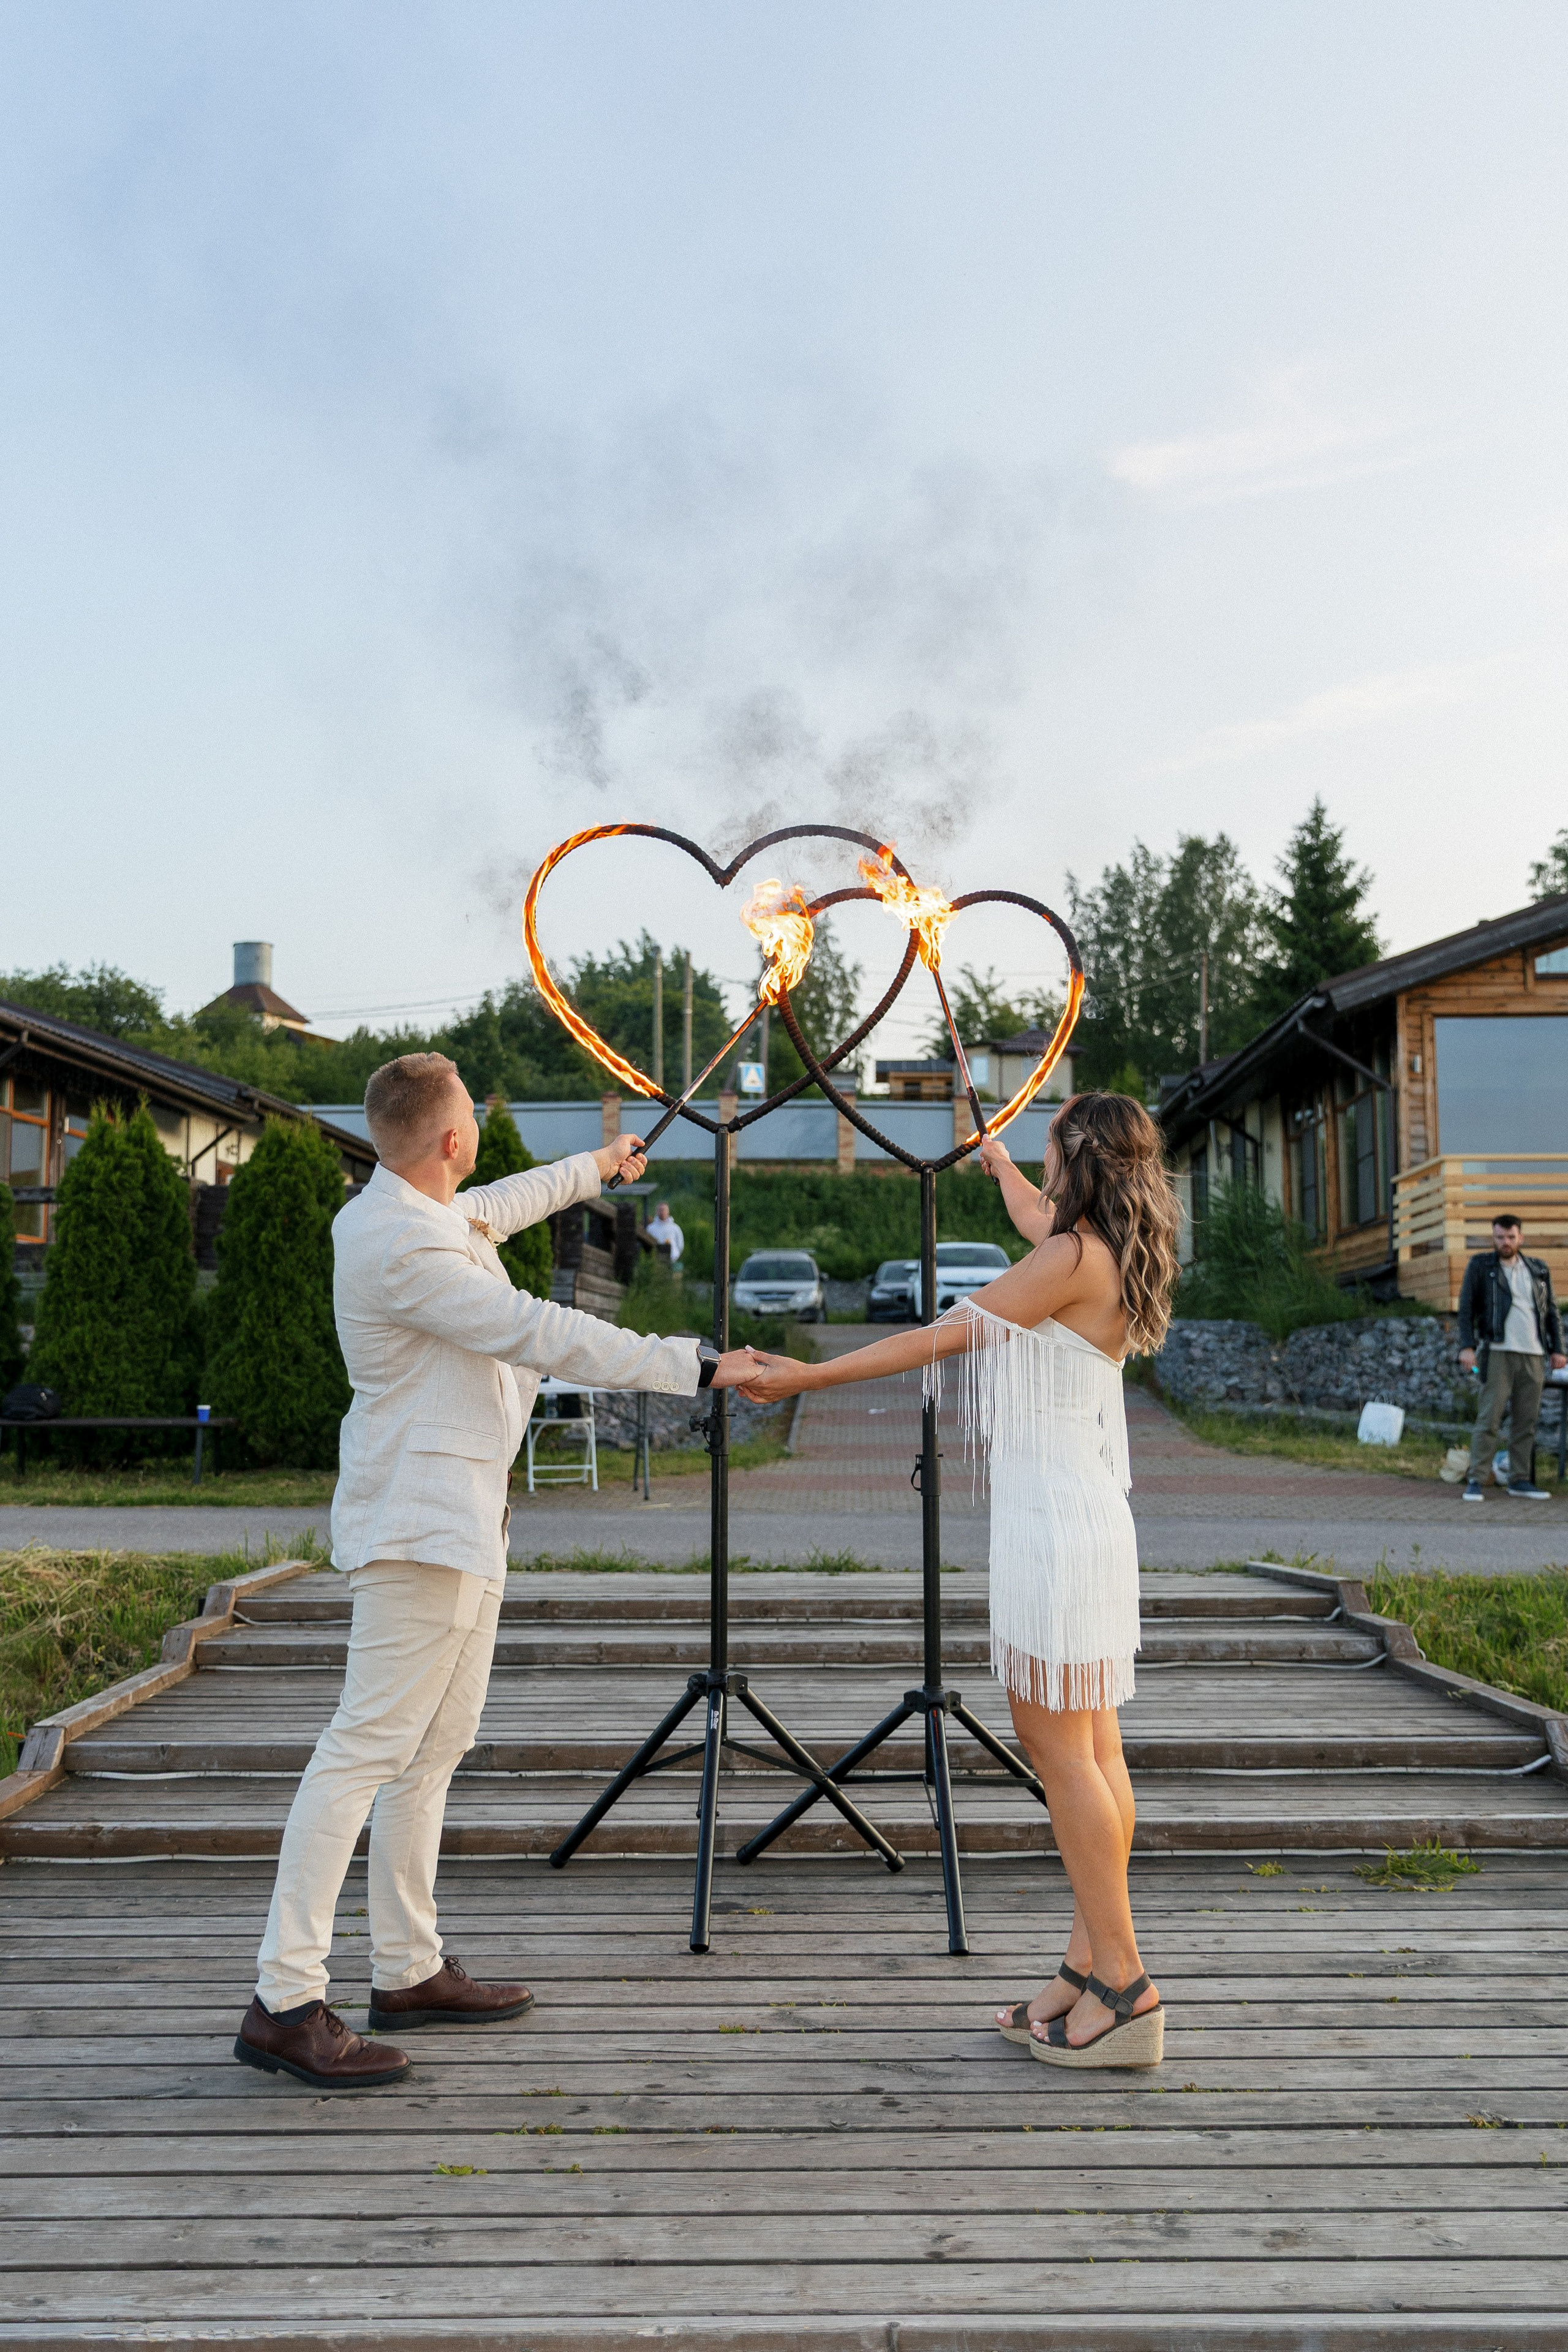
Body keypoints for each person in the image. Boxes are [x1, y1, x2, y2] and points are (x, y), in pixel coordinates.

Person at [235, 1052, 756, 2091]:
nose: (474, 1133)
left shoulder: (423, 1215)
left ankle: (408, 1967)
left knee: (434, 1749)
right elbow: (536, 1330)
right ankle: (286, 1999)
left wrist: (597, 1164)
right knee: (364, 1751)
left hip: (466, 1522)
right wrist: (694, 1364)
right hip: (419, 1531)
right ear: (449, 1140)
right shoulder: (401, 1248)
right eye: (469, 1116)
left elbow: (498, 1208)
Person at [739, 1092, 1181, 2070]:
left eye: (1048, 1150)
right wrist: (998, 1165)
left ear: (1080, 1160)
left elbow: (941, 1336)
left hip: (1054, 1527)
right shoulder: (1110, 1249)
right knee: (1095, 1750)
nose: (1041, 1168)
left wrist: (802, 1379)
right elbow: (1036, 1218)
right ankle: (1085, 1962)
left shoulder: (1066, 1261)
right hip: (1094, 1519)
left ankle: (1127, 1981)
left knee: (1060, 1751)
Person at [1458, 1213, 1565, 1502]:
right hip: (1498, 1351)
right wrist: (1466, 1347)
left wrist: (1559, 1349)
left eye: (1510, 1237)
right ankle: (1476, 1480)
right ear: (1493, 1238)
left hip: (1534, 1353)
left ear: (1521, 1238)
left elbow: (1551, 1312)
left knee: (1526, 1421)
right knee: (1490, 1417)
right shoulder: (1481, 1266)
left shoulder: (1538, 1269)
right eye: (1499, 1237)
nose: (1505, 1242)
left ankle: (1519, 1480)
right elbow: (1466, 1308)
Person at [646, 1198, 684, 1265]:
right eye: (660, 1210)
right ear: (657, 1212)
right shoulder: (651, 1228)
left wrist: (675, 1256)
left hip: (672, 1261)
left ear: (668, 1211)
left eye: (664, 1210)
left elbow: (680, 1245)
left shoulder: (675, 1228)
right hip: (655, 1262)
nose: (662, 1212)